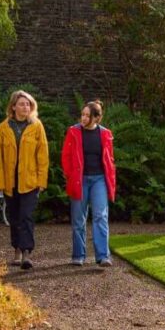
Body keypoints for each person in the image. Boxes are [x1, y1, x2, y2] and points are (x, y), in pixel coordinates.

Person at [0, 90, 49, 270]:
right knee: (14, 217)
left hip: (30, 181)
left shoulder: (36, 126)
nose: (26, 107)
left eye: (29, 104)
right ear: (14, 106)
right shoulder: (3, 128)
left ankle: (26, 253)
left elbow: (43, 155)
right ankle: (16, 248)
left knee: (26, 216)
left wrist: (42, 181)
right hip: (10, 182)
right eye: (22, 104)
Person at [62, 100, 117, 267]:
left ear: (96, 117)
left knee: (101, 216)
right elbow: (66, 156)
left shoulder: (105, 134)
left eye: (88, 115)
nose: (84, 118)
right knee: (79, 219)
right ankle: (78, 255)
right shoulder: (73, 132)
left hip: (99, 179)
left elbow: (110, 158)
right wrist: (70, 175)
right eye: (83, 114)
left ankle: (103, 256)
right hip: (80, 179)